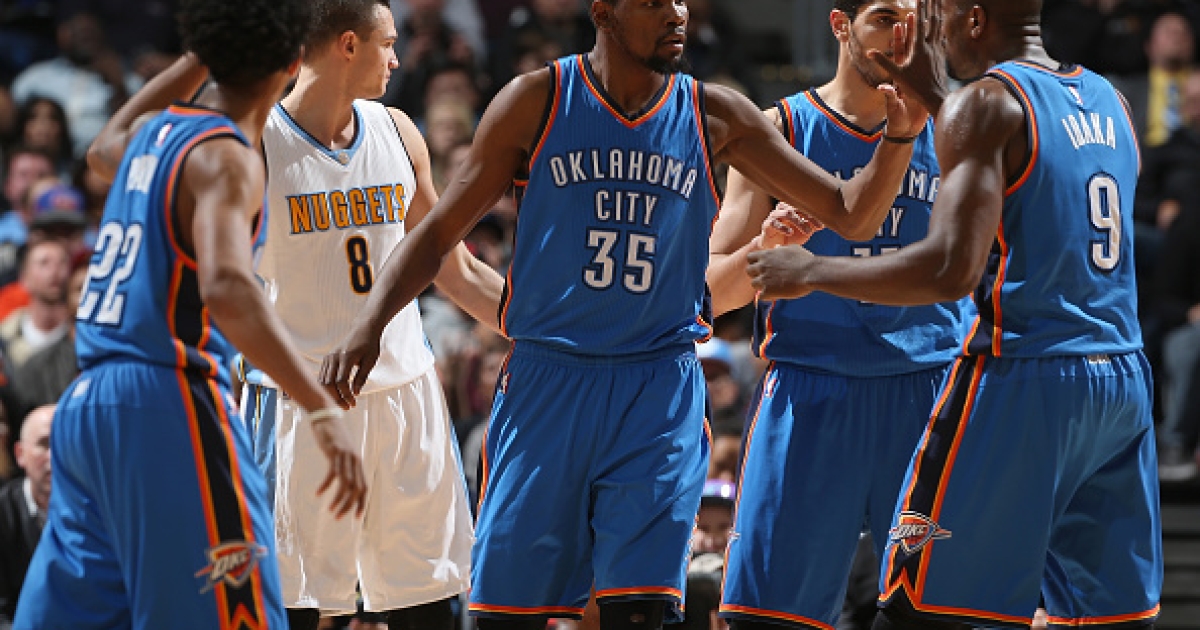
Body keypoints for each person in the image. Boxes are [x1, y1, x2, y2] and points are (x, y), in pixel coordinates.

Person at [320, 0, 931, 627]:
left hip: (657, 388)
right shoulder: (536, 100)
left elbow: (851, 213)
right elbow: (436, 234)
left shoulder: (716, 113)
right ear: (604, 12)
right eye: (653, 2)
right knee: (506, 616)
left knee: (641, 613)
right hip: (548, 383)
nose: (677, 14)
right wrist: (371, 323)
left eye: (681, 1)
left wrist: (900, 137)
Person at [748, 0, 1161, 627]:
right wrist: (942, 101)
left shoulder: (985, 103)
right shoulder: (1111, 101)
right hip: (1120, 380)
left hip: (1024, 377)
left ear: (974, 19)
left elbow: (949, 269)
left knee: (919, 607)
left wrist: (812, 271)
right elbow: (1031, 165)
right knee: (1108, 618)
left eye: (937, 17)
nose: (931, 34)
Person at [12, 0, 368, 627]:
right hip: (166, 399)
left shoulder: (153, 135)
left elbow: (101, 148)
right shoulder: (225, 156)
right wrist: (316, 405)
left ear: (206, 55)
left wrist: (201, 55)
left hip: (87, 404)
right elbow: (228, 286)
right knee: (233, 613)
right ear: (292, 64)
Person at [705, 2, 969, 628]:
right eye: (884, 18)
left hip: (929, 390)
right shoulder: (780, 128)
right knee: (768, 619)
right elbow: (712, 293)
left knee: (940, 616)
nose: (901, 38)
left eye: (916, 24)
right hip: (811, 390)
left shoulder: (960, 125)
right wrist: (764, 249)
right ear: (840, 24)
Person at [247, 1, 503, 628]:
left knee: (428, 605)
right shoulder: (258, 143)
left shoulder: (397, 130)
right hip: (302, 404)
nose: (396, 58)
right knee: (295, 609)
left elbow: (452, 266)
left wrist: (546, 327)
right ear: (348, 44)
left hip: (404, 392)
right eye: (387, 44)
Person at [0, 405, 53, 625]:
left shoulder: (97, 511)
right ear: (20, 454)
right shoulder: (4, 514)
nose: (55, 456)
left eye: (64, 443)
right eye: (45, 444)